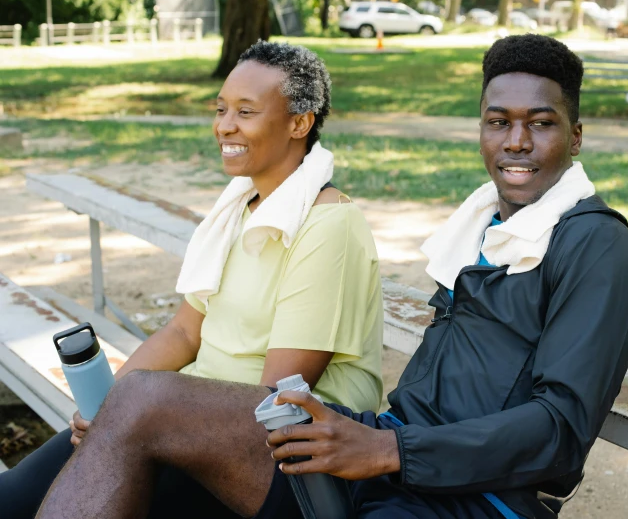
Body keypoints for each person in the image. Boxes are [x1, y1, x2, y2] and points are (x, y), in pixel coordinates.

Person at [36, 34, 628, 519]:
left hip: (467, 497)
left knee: (143, 420)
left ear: (576, 136)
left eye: (542, 122)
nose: (516, 141)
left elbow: (559, 431)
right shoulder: (488, 227)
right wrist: (379, 446)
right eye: (498, 121)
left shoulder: (600, 249)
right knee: (139, 400)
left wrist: (389, 453)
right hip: (384, 451)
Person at [0, 41, 384, 518]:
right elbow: (183, 331)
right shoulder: (240, 208)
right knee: (15, 496)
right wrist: (108, 408)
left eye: (246, 111)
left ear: (299, 123)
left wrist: (141, 421)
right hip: (182, 416)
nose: (225, 125)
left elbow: (279, 393)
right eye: (221, 109)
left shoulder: (330, 225)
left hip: (267, 451)